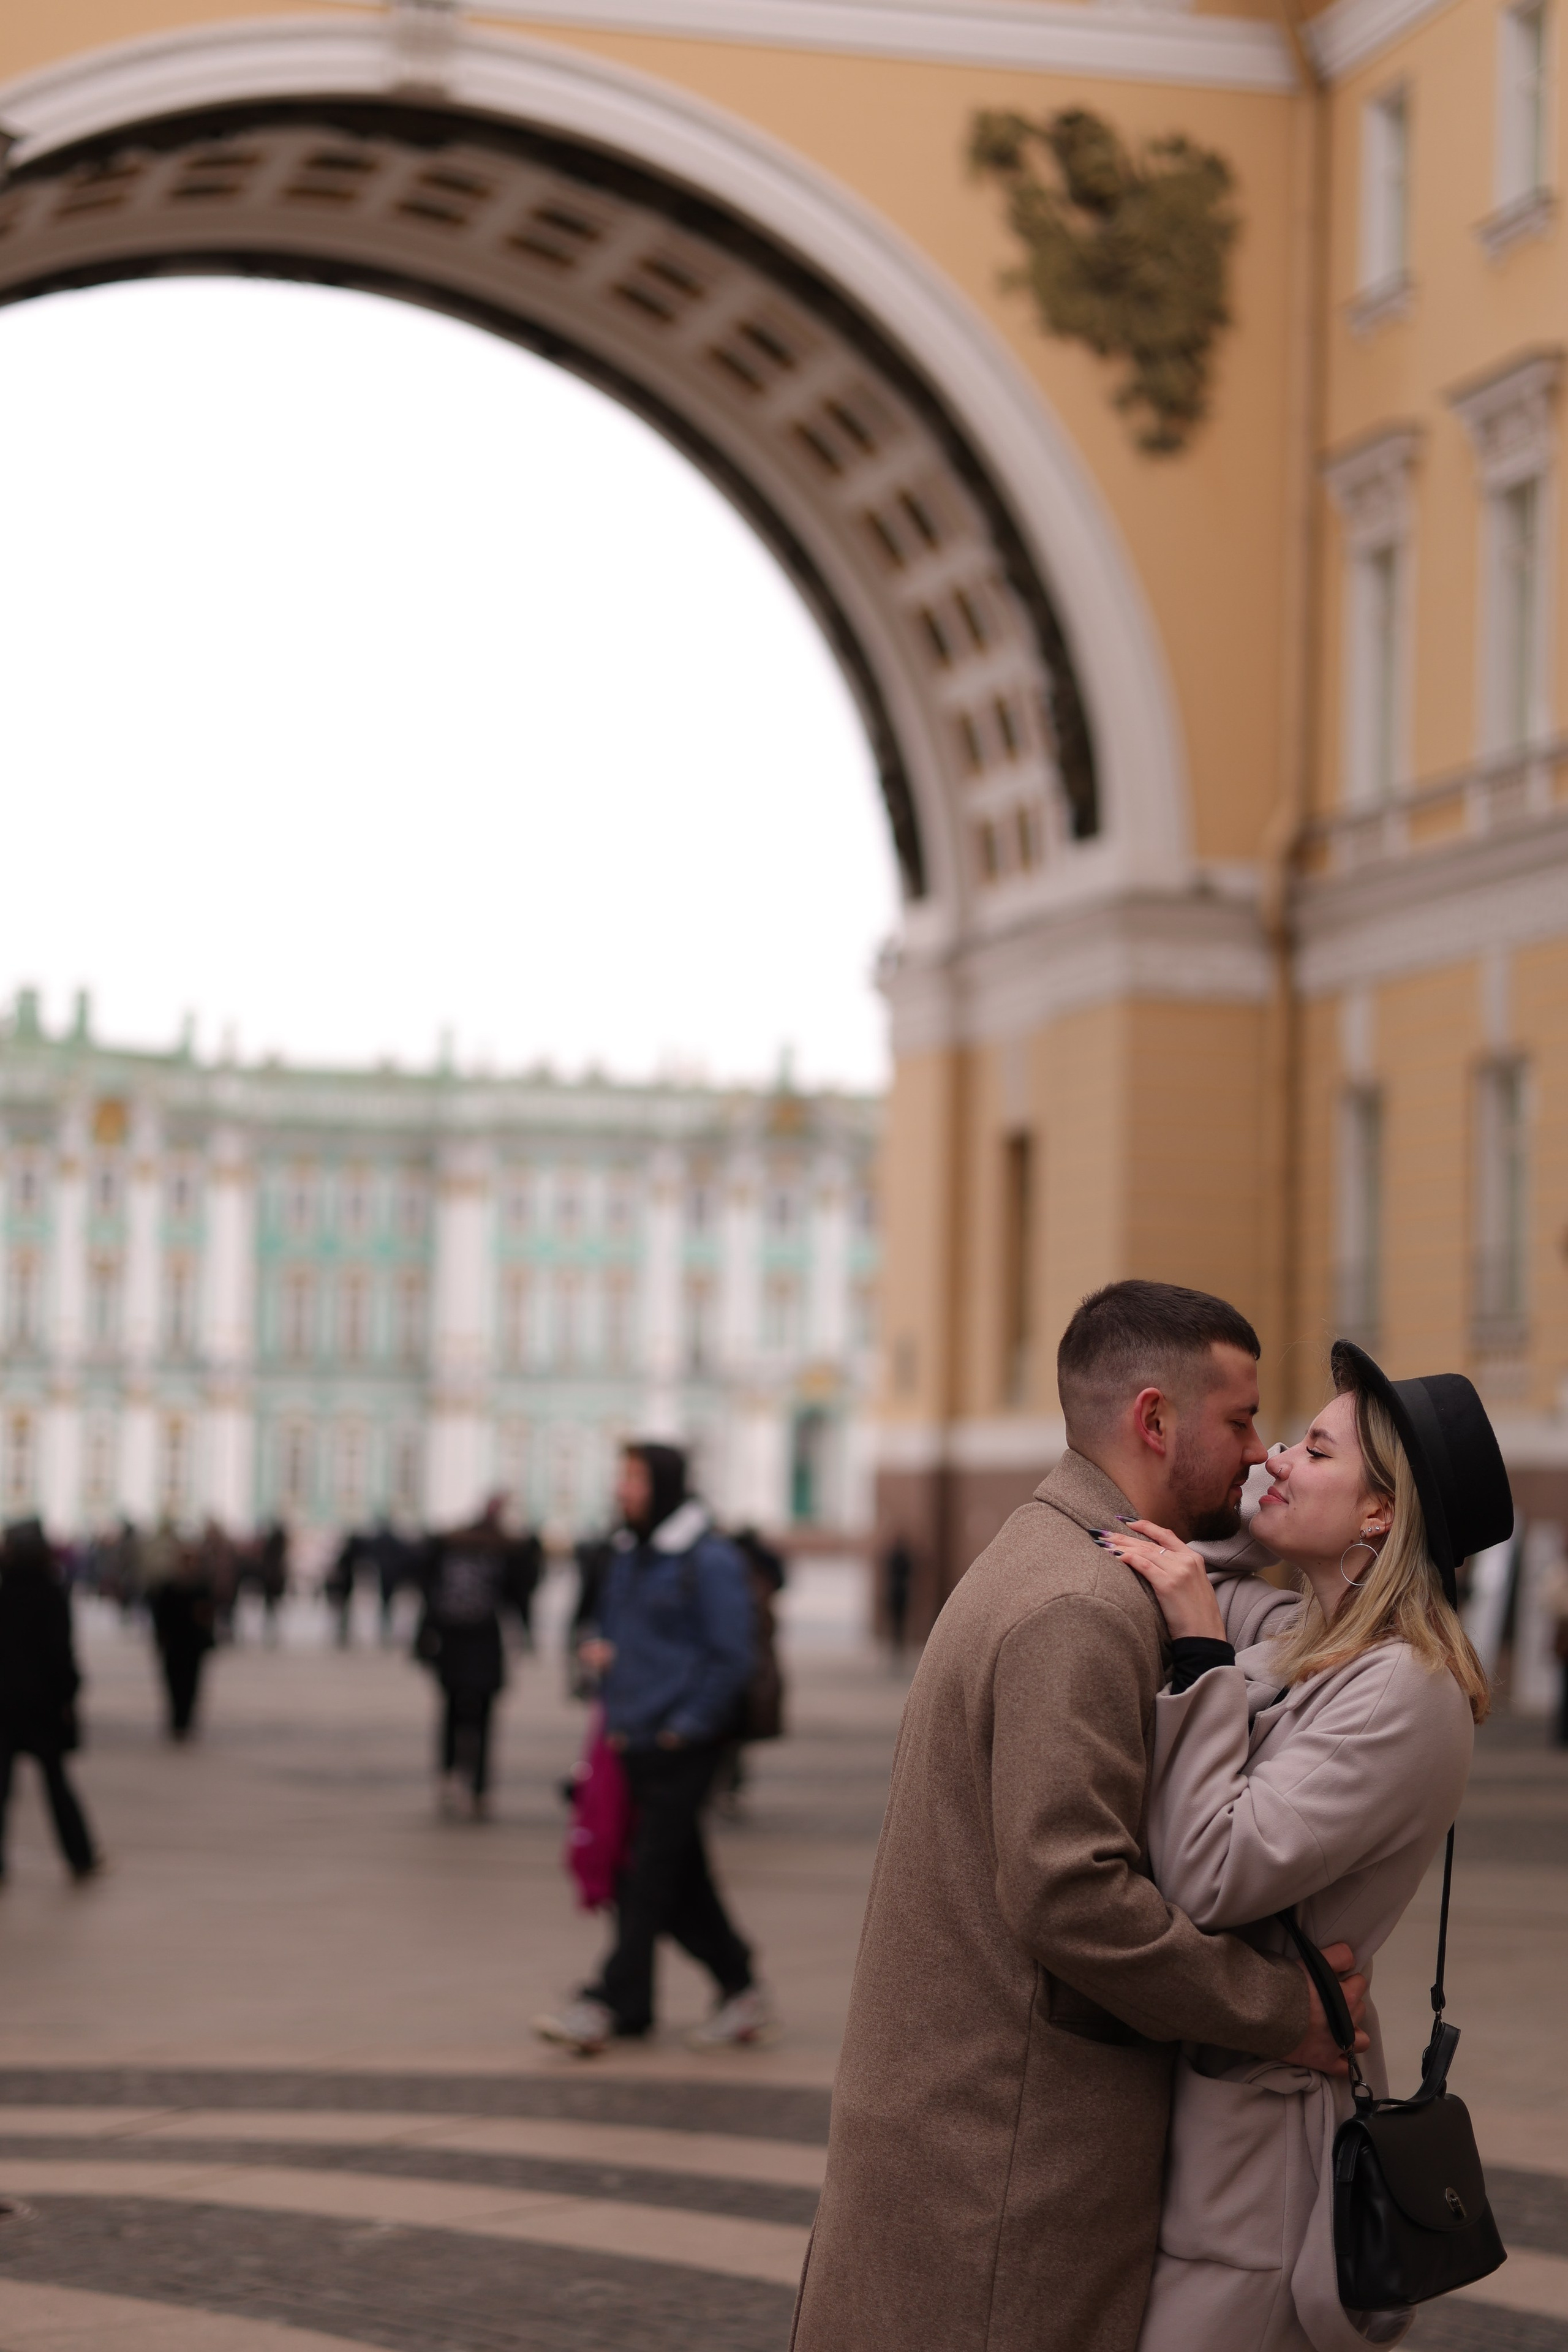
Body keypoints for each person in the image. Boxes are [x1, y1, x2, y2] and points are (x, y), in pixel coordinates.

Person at [791, 1282, 1366, 2352]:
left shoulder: (1050, 1551)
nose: (1256, 1452)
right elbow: (1072, 1893)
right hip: (1006, 2169)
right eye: (1239, 1420)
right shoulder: (1084, 1606)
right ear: (1156, 1420)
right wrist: (1281, 2010)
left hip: (959, 2142)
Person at [1098, 1341, 1510, 2351]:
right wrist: (1250, 1503)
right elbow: (1191, 1551)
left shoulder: (1407, 1692)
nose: (1275, 1455)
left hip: (1256, 2166)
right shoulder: (1297, 1628)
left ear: (1381, 1512)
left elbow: (1209, 1871)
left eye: (1314, 1451)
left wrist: (1199, 1656)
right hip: (1196, 2113)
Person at [535, 1441, 766, 2055]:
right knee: (681, 1879)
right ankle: (735, 1985)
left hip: (679, 1747)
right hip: (628, 1739)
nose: (622, 1489)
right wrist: (604, 1655)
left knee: (647, 1877)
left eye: (634, 1478)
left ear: (662, 1484)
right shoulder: (629, 1554)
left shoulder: (707, 1560)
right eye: (622, 1477)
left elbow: (732, 1656)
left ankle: (607, 2000)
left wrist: (684, 1727)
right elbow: (611, 1628)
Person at [0, 1519, 101, 1880]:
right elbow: (61, 1653)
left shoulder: (6, 1589)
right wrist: (67, 1694)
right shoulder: (50, 1591)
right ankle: (80, 1856)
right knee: (57, 1784)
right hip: (41, 1705)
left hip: (6, 1705)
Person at [416, 1498, 512, 1819]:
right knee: (482, 1720)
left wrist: (425, 1642)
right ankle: (479, 1787)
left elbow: (429, 1598)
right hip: (484, 1645)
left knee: (451, 1715)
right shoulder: (500, 1552)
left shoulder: (448, 1551)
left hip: (453, 1646)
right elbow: (517, 1594)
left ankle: (449, 1777)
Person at [147, 1531, 217, 1740]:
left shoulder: (201, 1588)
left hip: (193, 1646)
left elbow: (208, 1617)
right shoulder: (169, 1588)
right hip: (174, 1645)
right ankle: (176, 1721)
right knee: (173, 1684)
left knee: (191, 1685)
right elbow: (160, 1617)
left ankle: (185, 1722)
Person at [882, 1533, 913, 1655]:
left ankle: (897, 1644)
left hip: (896, 1593)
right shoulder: (902, 1558)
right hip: (899, 1593)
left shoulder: (894, 1558)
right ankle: (897, 1644)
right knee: (898, 1621)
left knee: (898, 1621)